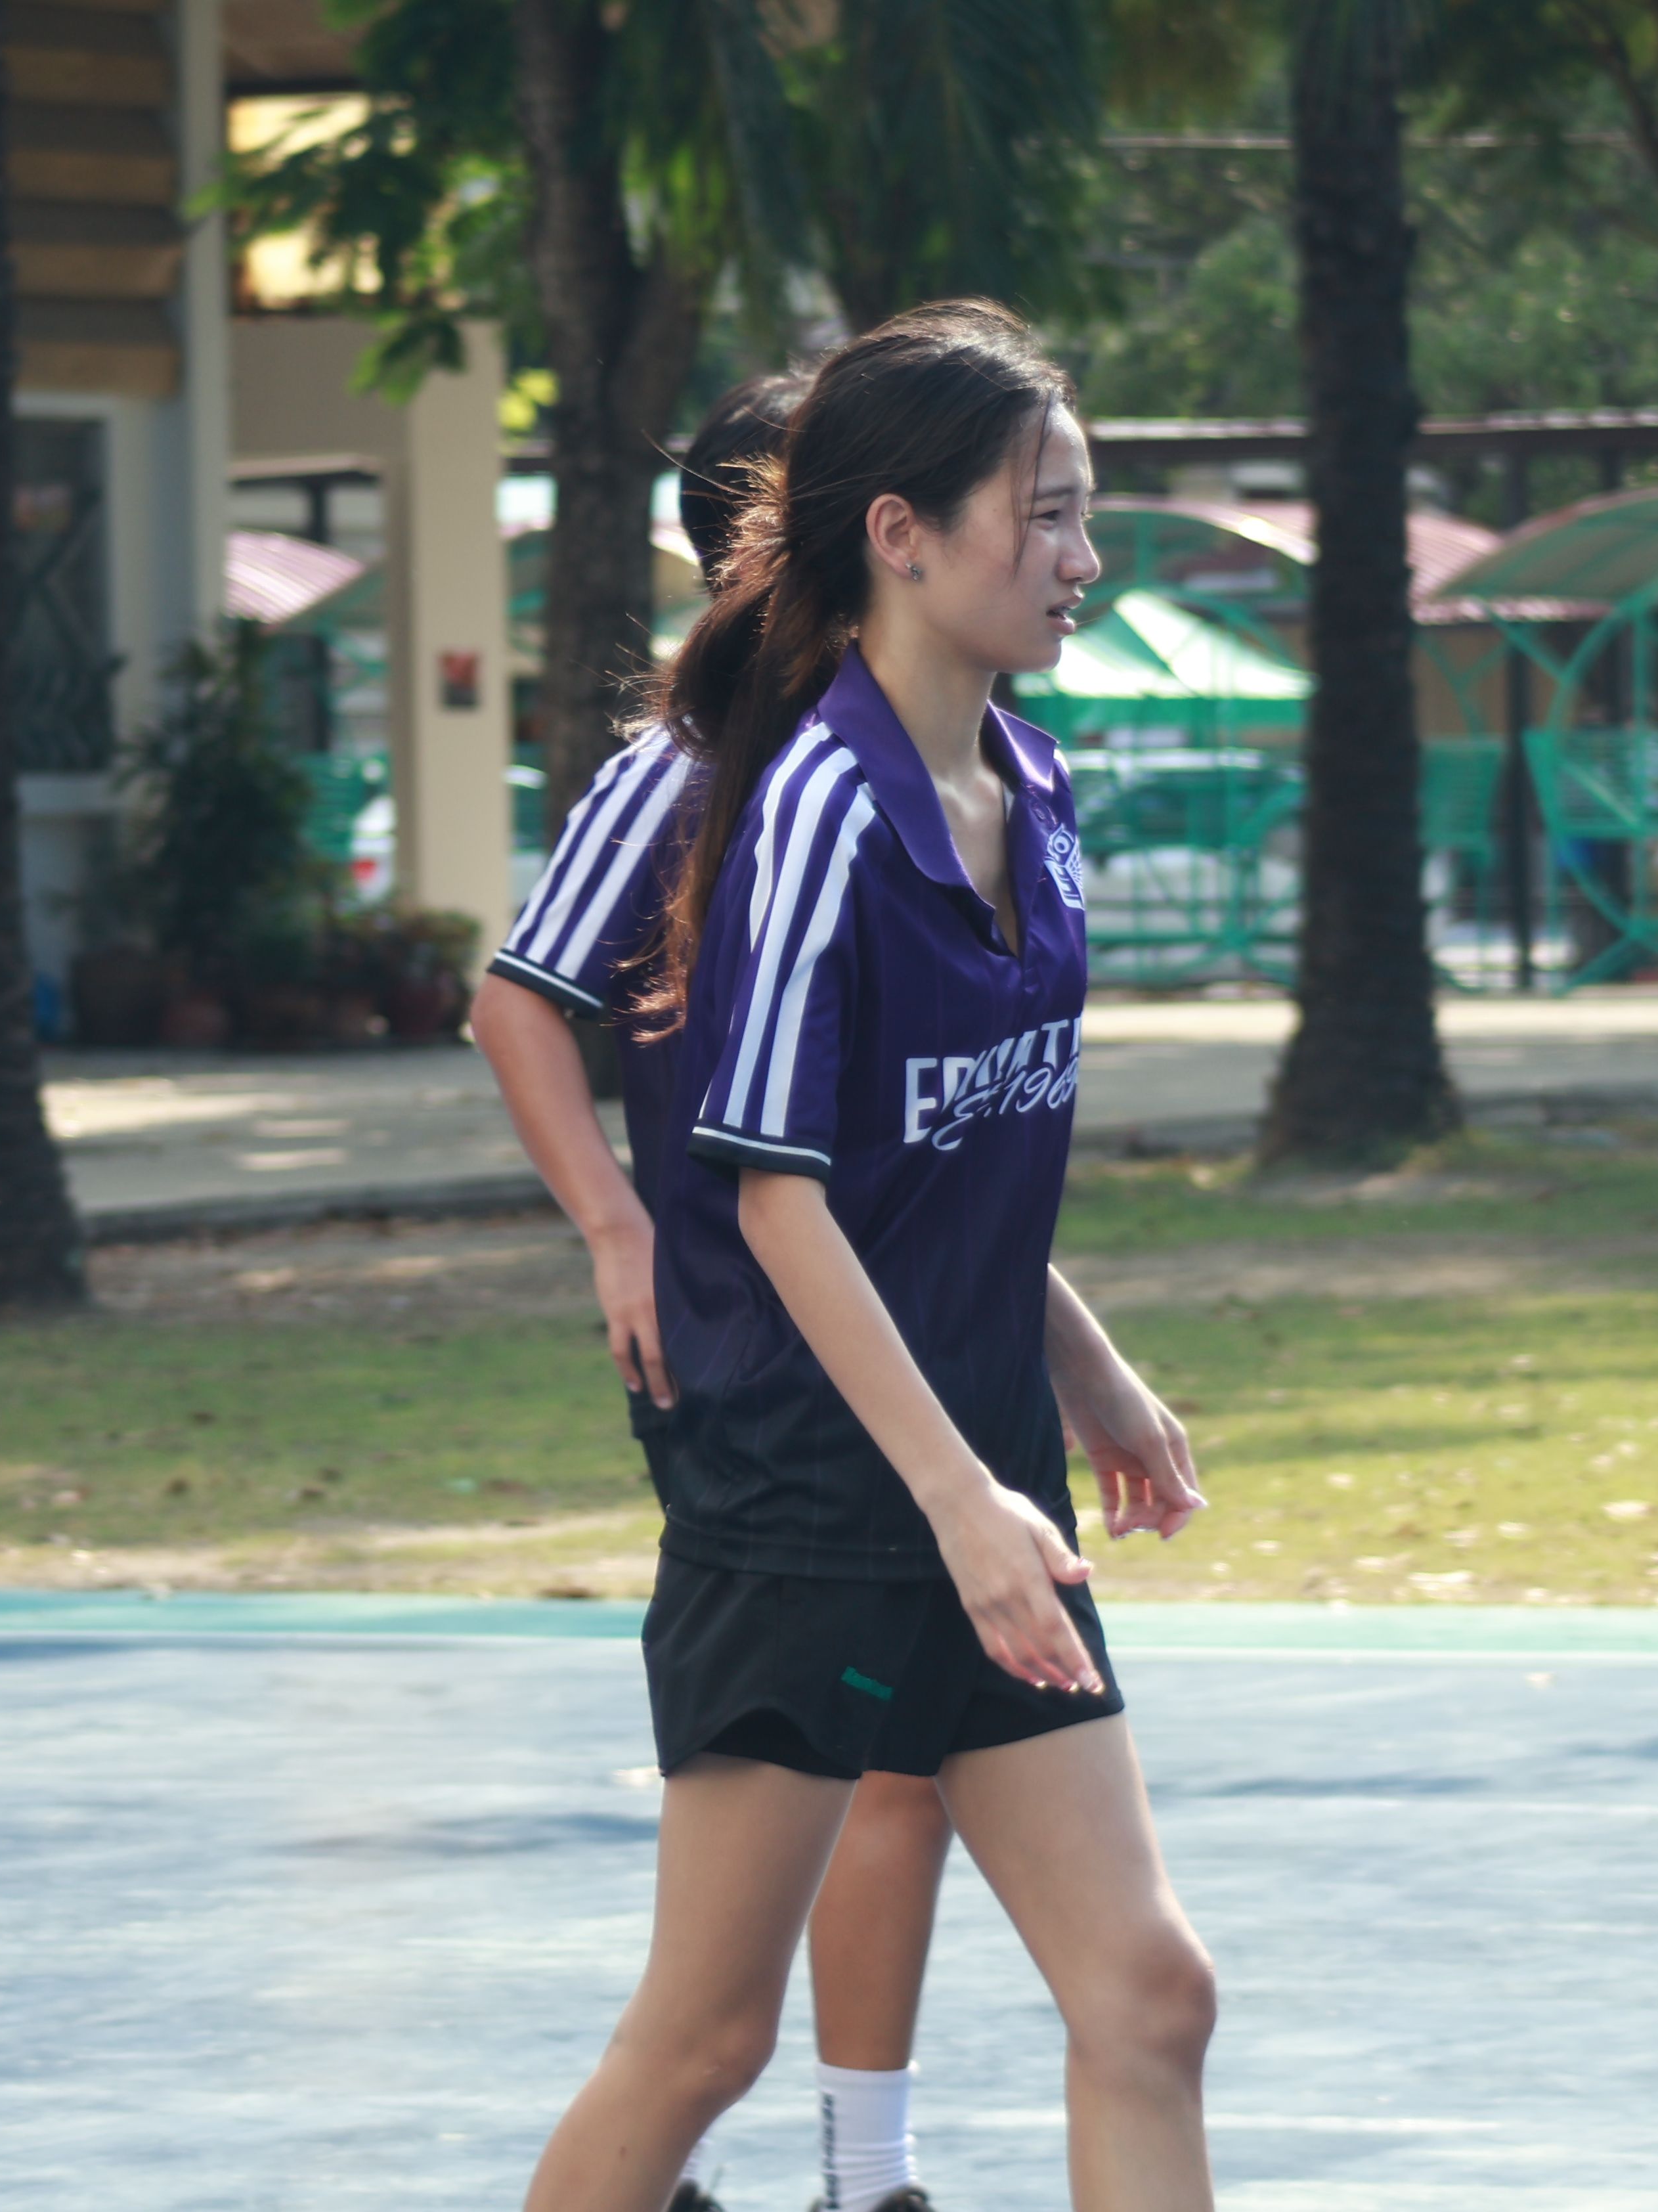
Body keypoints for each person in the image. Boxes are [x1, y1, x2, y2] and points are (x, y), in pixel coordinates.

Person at [517, 300, 1217, 2212]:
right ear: (900, 535)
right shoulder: (810, 808)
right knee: (704, 2041)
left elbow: (945, 1151)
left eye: (1084, 512)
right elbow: (775, 1193)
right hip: (818, 1493)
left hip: (980, 1461)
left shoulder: (1038, 791)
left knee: (1150, 1995)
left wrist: (1083, 1369)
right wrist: (957, 1499)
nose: (1083, 558)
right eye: (1045, 516)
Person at [477, 369, 971, 2212]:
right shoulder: (687, 770)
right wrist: (614, 1226)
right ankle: (667, 2163)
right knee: (752, 1925)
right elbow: (519, 1001)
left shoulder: (927, 763)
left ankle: (866, 2172)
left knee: (908, 1773)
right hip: (758, 1365)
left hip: (902, 1344)